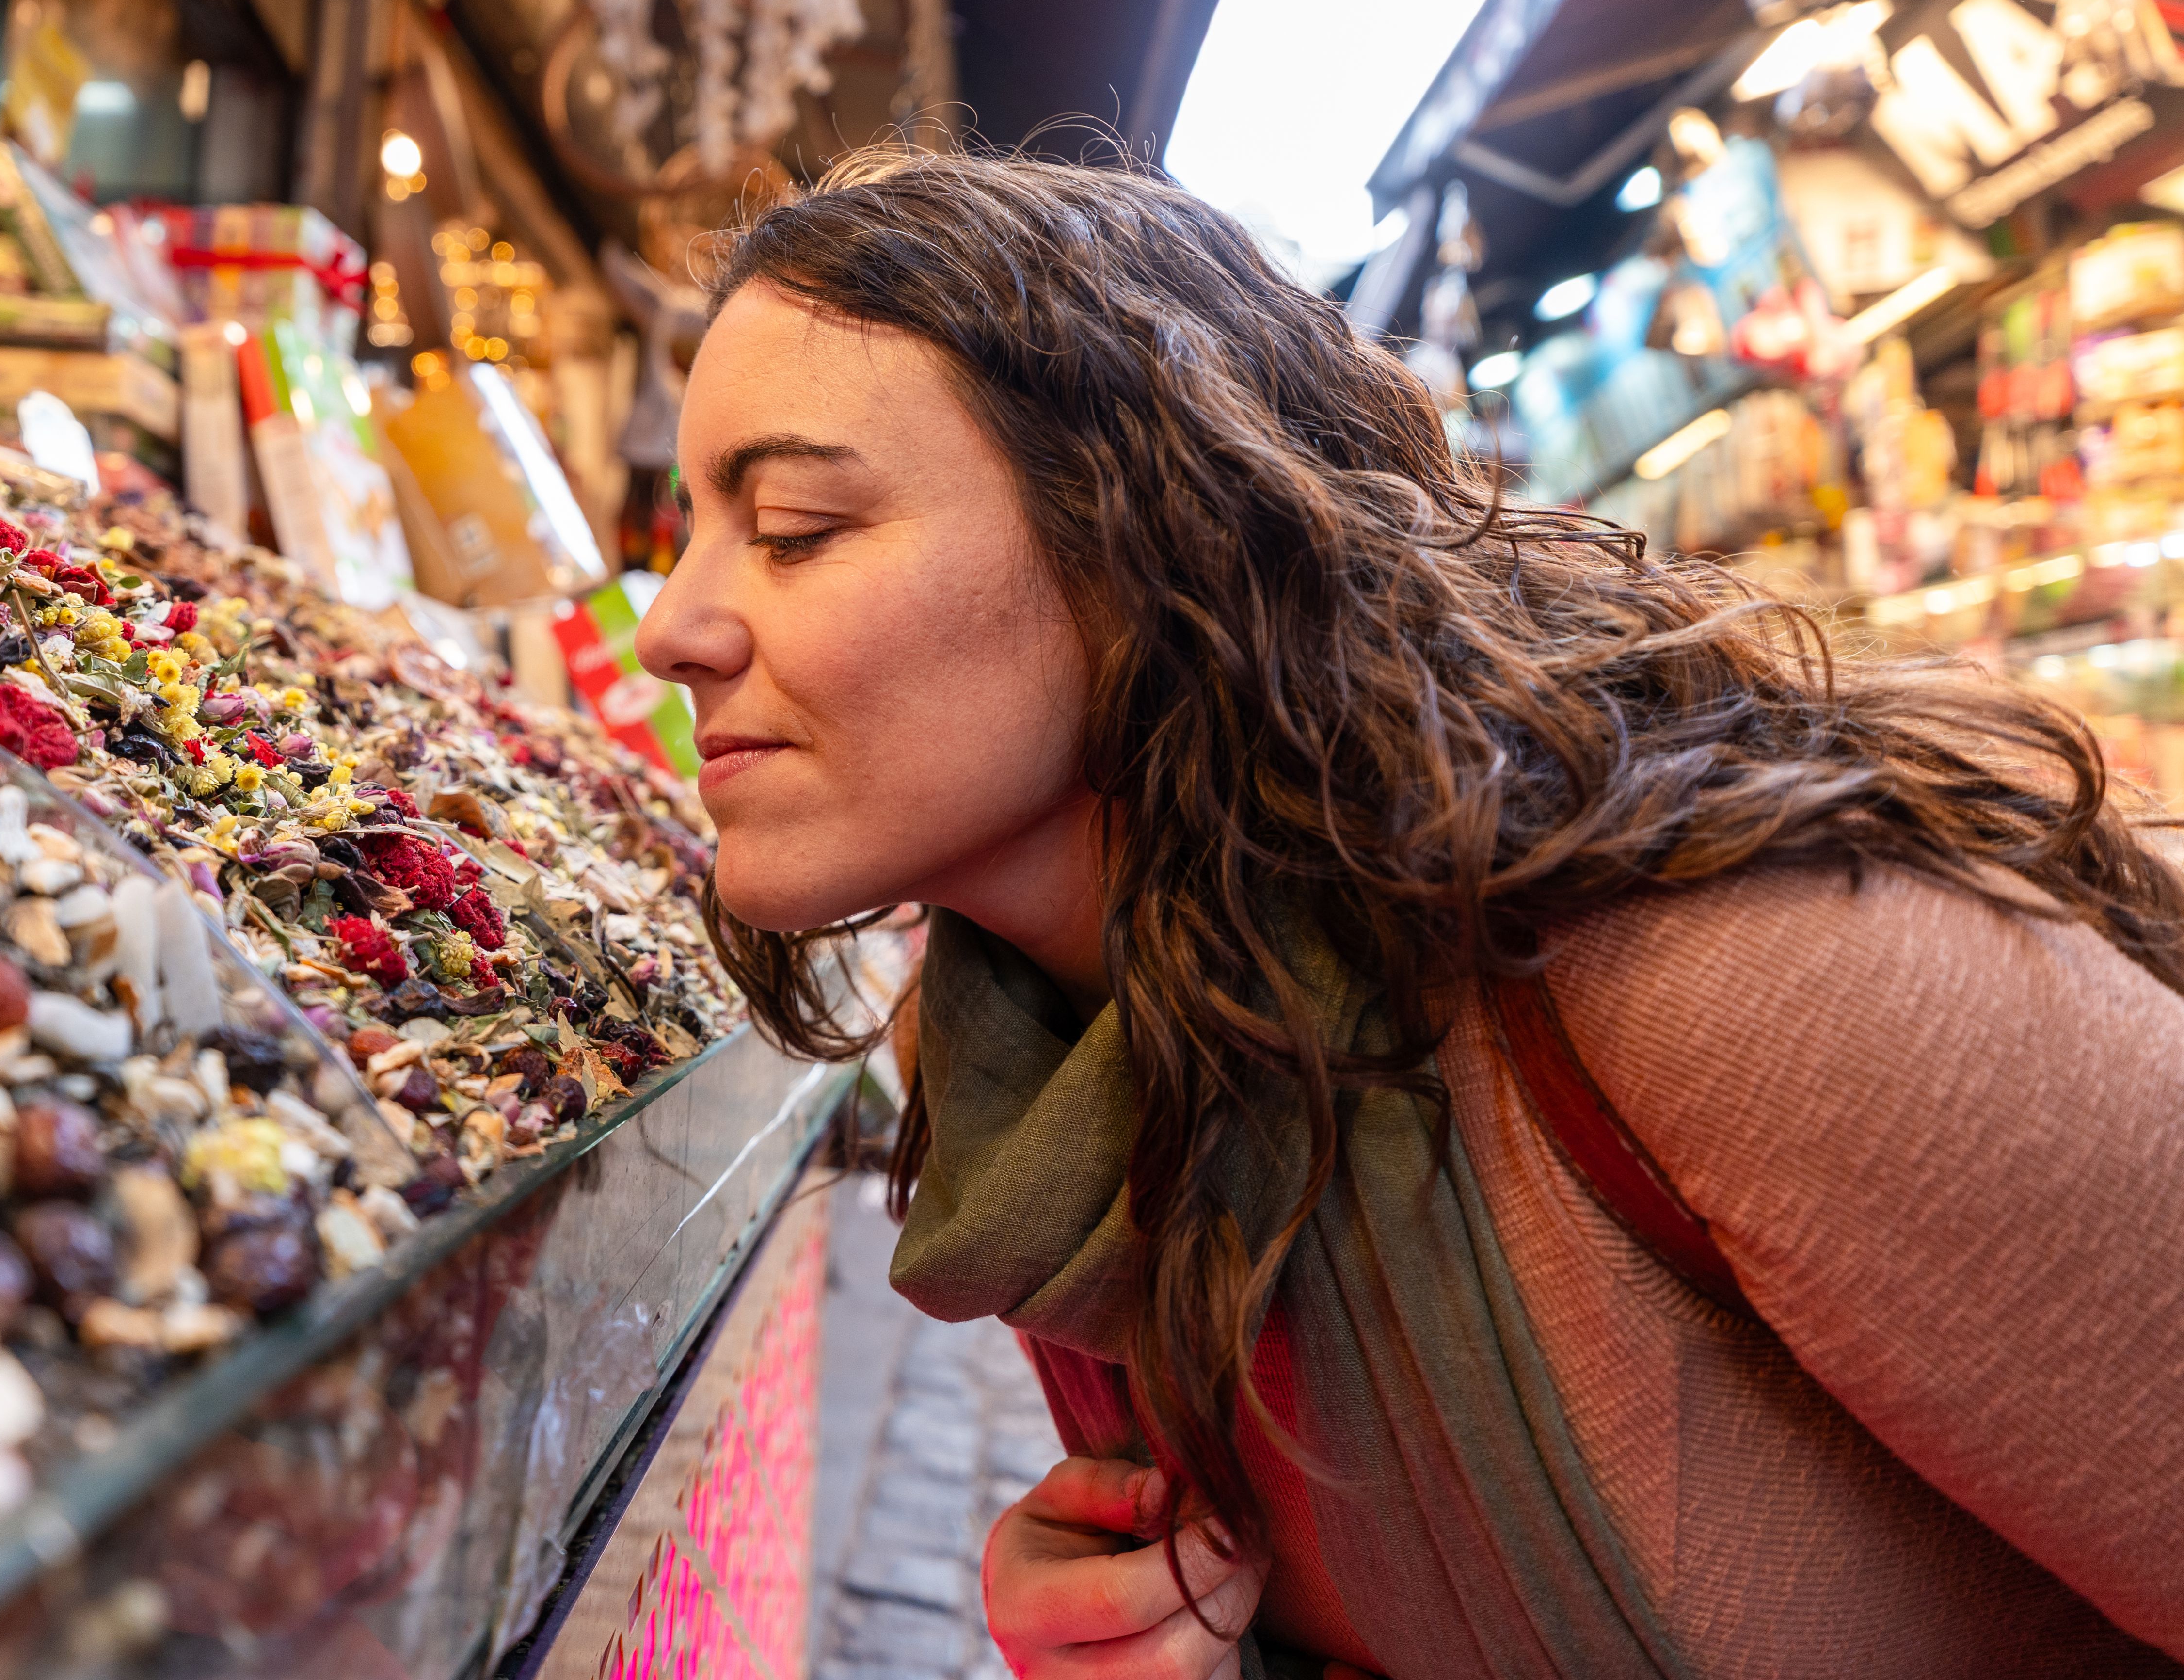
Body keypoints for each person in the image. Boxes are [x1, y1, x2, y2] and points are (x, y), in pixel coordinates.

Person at [632, 149, 2184, 1680]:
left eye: (793, 532)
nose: (672, 630)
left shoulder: (1734, 976)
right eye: (692, 529)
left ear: (1142, 547)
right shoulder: (1043, 1087)